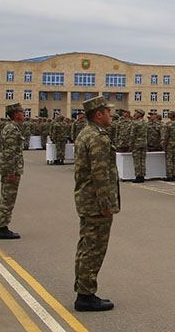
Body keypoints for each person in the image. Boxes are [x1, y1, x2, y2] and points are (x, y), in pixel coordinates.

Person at [73, 96, 119, 312]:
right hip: (95, 201)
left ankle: (83, 289)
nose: (111, 115)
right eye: (108, 111)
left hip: (86, 198)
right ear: (98, 114)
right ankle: (85, 295)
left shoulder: (85, 133)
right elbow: (100, 174)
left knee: (86, 246)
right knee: (94, 248)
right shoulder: (98, 137)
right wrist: (106, 203)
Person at [0, 103, 25, 240]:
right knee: (8, 199)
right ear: (15, 114)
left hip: (11, 168)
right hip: (10, 170)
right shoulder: (12, 129)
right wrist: (10, 172)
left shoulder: (12, 128)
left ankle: (3, 225)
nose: (24, 113)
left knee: (8, 198)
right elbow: (9, 153)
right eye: (21, 111)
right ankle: (3, 228)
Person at [162, 111, 175, 182]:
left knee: (169, 160)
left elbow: (166, 136)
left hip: (169, 144)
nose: (168, 115)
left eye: (169, 114)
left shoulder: (168, 124)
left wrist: (164, 144)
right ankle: (174, 175)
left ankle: (169, 175)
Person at [130, 110, 147, 183]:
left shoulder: (135, 123)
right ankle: (142, 176)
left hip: (136, 144)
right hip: (144, 143)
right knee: (142, 160)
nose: (135, 114)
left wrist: (131, 144)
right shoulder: (145, 123)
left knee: (137, 161)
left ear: (139, 115)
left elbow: (132, 135)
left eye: (136, 113)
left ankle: (138, 176)